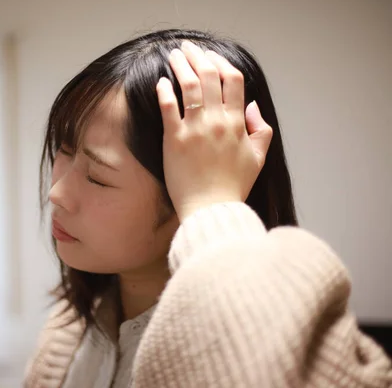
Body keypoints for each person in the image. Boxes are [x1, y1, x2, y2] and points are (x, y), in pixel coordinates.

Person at [24, 29, 392, 387]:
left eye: (98, 177)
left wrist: (212, 205)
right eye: (65, 150)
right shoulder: (69, 331)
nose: (57, 193)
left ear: (190, 190)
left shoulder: (289, 330)